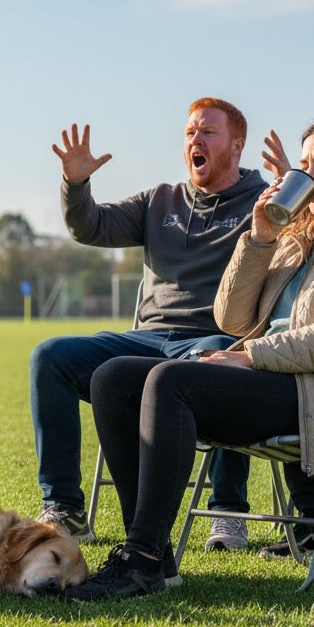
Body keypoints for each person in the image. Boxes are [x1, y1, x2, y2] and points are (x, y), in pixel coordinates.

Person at [66, 117, 314, 600]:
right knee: (113, 377)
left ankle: (142, 558)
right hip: (272, 377)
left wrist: (252, 357)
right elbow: (231, 318)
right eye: (304, 166)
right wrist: (258, 239)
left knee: (173, 382)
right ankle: (154, 554)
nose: (311, 177)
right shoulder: (300, 232)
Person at [31, 98, 271, 549]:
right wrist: (76, 183)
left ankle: (228, 510)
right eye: (189, 134)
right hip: (144, 341)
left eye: (208, 133)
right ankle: (64, 507)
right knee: (51, 357)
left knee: (224, 354)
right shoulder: (159, 200)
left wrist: (295, 186)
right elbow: (91, 227)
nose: (195, 141)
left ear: (237, 145)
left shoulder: (262, 201)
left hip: (215, 337)